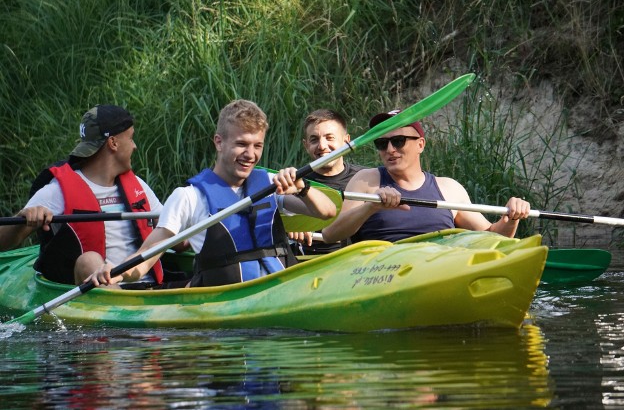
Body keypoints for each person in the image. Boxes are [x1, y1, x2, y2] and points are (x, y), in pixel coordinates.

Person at [85, 99, 337, 288]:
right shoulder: (189, 197)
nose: (250, 154)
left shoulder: (270, 183)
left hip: (285, 290)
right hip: (226, 304)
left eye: (257, 145)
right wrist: (113, 272)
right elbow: (144, 262)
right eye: (241, 144)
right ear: (219, 142)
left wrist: (303, 188)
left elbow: (327, 212)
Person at [0, 105, 165, 286]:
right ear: (113, 143)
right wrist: (23, 218)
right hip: (100, 295)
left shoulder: (138, 186)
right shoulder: (57, 191)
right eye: (131, 138)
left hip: (149, 290)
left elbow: (173, 233)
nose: (135, 146)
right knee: (90, 260)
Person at [322, 109, 530, 244]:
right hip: (382, 273)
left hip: (436, 271)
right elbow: (330, 235)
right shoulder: (366, 181)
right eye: (381, 143)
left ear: (420, 144)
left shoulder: (449, 189)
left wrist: (511, 218)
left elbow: (493, 239)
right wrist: (371, 206)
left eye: (399, 141)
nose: (390, 149)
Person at [292, 109, 364, 254]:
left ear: (346, 141)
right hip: (310, 265)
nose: (322, 146)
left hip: (359, 265)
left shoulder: (366, 178)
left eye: (329, 138)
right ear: (306, 146)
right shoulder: (294, 184)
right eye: (314, 139)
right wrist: (290, 228)